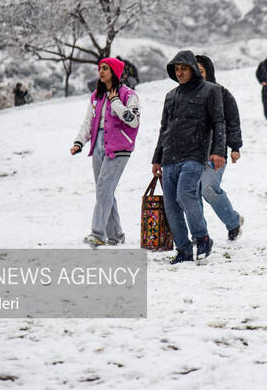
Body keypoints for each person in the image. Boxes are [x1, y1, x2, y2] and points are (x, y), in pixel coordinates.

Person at [152, 50, 226, 264]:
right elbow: (164, 128)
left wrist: (218, 151)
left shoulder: (211, 91)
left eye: (183, 68)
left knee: (185, 195)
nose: (180, 72)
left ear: (193, 69)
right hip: (169, 156)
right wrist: (157, 158)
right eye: (176, 69)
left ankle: (202, 238)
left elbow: (218, 123)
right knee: (170, 204)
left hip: (194, 154)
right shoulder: (171, 96)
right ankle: (183, 249)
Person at [71, 58, 140, 248]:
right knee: (105, 191)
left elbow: (133, 121)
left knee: (103, 190)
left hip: (119, 147)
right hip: (98, 145)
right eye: (100, 68)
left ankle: (98, 233)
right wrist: (79, 142)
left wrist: (115, 101)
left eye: (105, 69)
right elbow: (88, 122)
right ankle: (116, 235)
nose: (101, 72)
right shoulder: (96, 96)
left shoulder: (129, 95)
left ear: (115, 72)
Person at [195, 55, 245, 241]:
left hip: (216, 151)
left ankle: (233, 222)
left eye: (201, 72)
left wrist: (235, 146)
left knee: (208, 188)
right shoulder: (186, 94)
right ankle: (199, 234)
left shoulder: (222, 93)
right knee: (192, 192)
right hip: (191, 152)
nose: (197, 76)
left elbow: (232, 121)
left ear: (209, 72)